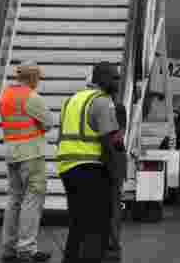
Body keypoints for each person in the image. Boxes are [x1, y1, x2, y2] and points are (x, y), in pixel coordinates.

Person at [56, 63, 124, 263]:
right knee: (97, 227)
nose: (117, 82)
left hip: (67, 168)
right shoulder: (103, 101)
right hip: (90, 169)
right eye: (114, 78)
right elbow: (108, 141)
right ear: (102, 78)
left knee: (78, 225)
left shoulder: (72, 100)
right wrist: (114, 172)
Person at [0, 62, 53, 263]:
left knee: (14, 200)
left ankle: (9, 248)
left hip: (12, 152)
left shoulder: (5, 96)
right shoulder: (32, 97)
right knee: (32, 199)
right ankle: (26, 249)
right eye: (37, 78)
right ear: (31, 78)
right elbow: (48, 122)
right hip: (31, 154)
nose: (38, 82)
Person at [104, 102, 127, 262]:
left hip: (107, 161)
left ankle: (108, 243)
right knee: (113, 203)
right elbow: (119, 136)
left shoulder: (97, 106)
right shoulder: (117, 108)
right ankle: (112, 243)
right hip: (115, 160)